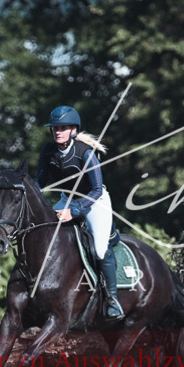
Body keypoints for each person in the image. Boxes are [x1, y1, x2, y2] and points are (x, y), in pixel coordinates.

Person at [34, 105, 124, 320]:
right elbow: (39, 182)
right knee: (39, 230)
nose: (58, 131)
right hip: (67, 199)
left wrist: (73, 212)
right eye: (55, 128)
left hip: (94, 202)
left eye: (63, 128)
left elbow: (95, 189)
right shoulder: (48, 151)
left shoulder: (86, 153)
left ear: (73, 130)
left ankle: (112, 300)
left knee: (100, 250)